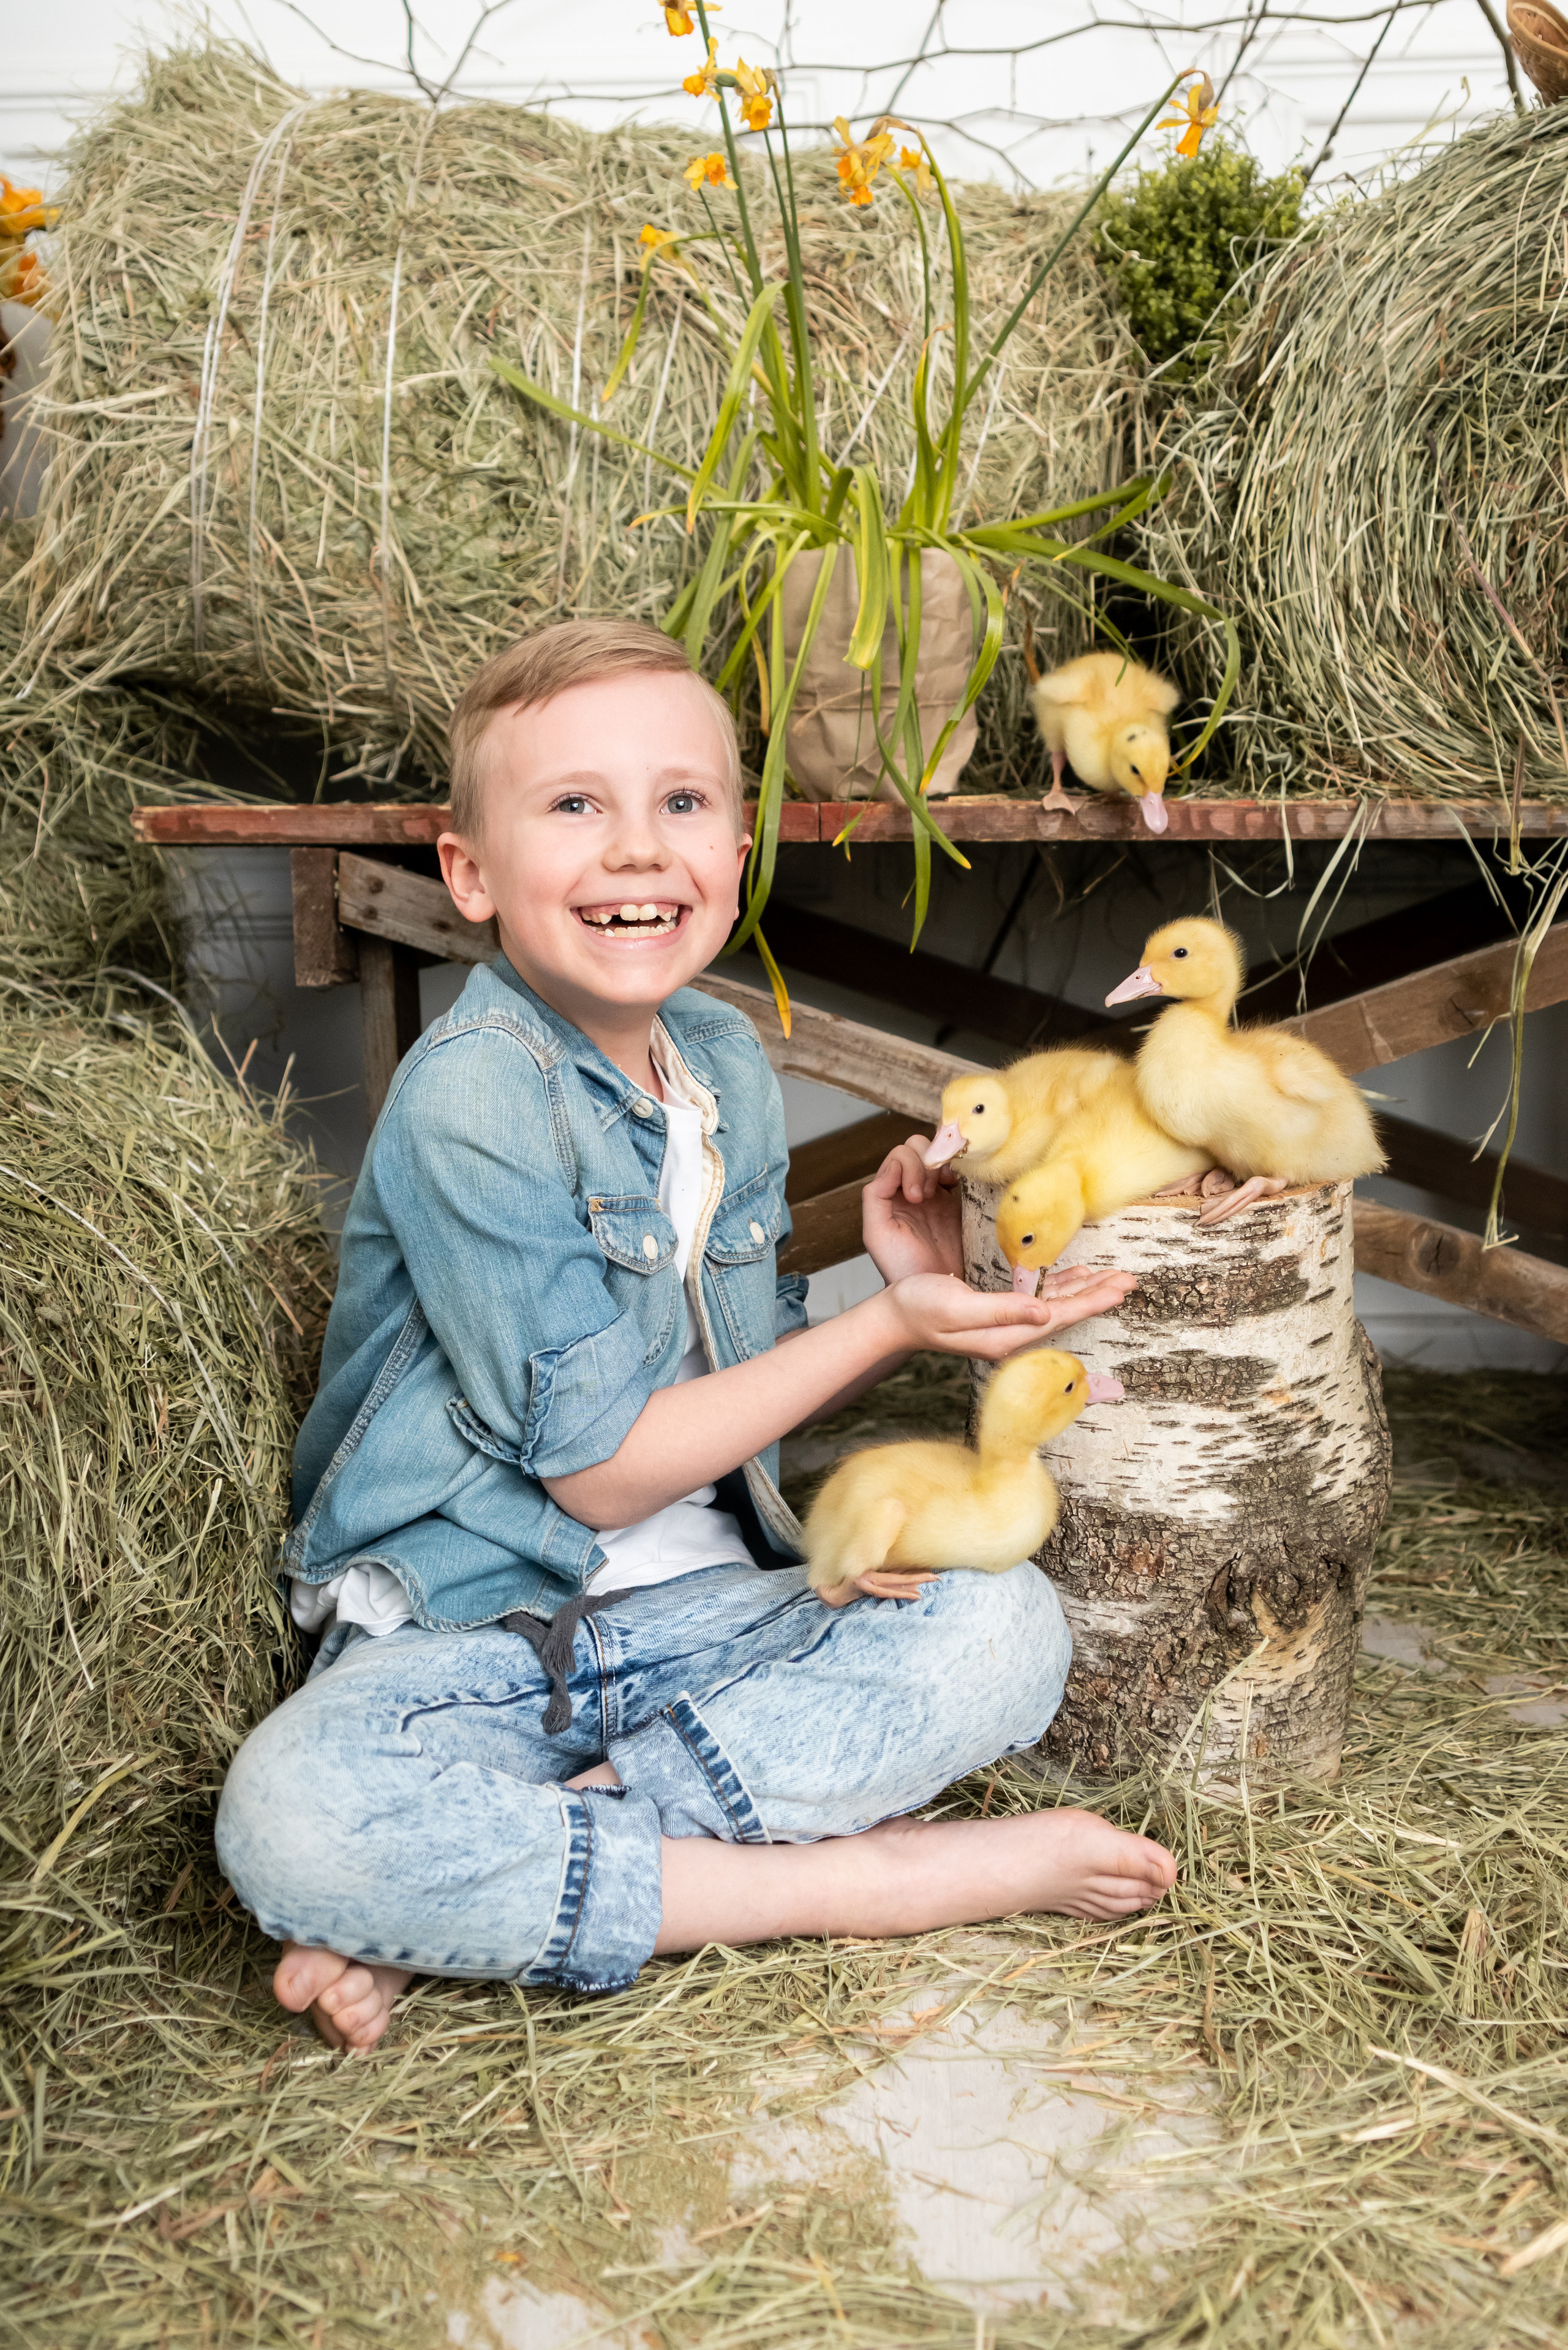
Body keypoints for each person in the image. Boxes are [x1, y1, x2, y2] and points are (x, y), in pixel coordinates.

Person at [216, 620, 1177, 2052]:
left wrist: (874, 1283)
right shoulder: (471, 1095)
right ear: (469, 873)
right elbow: (600, 1475)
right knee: (291, 1815)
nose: (634, 850)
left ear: (737, 852)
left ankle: (537, 1862)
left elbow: (728, 1401)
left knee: (1002, 1626)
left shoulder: (720, 1059)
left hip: (706, 1617)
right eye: (572, 805)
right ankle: (855, 1879)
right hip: (477, 1635)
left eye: (680, 802)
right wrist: (891, 1335)